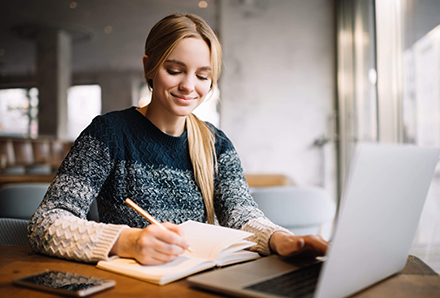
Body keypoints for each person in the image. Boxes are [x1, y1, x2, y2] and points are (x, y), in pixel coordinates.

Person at [28, 13, 328, 266]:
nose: (188, 86)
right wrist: (126, 241)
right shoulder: (109, 133)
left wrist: (281, 239)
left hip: (194, 281)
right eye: (174, 70)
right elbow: (46, 224)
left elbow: (241, 213)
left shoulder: (216, 144)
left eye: (202, 76)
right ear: (149, 66)